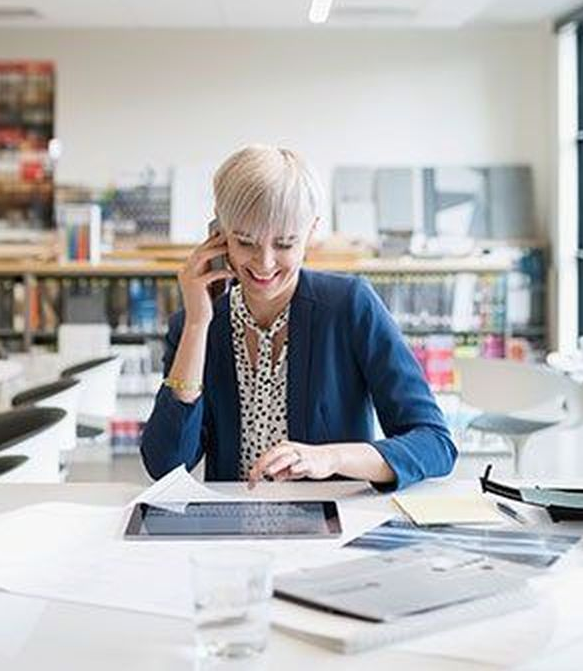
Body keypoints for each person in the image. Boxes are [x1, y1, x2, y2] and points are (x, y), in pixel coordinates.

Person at [140, 145, 456, 490]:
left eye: (285, 244)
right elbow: (165, 466)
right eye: (245, 242)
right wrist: (197, 325)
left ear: (311, 233)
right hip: (232, 528)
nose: (264, 263)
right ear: (219, 232)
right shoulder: (198, 325)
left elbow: (435, 443)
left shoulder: (349, 305)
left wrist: (330, 458)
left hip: (334, 528)